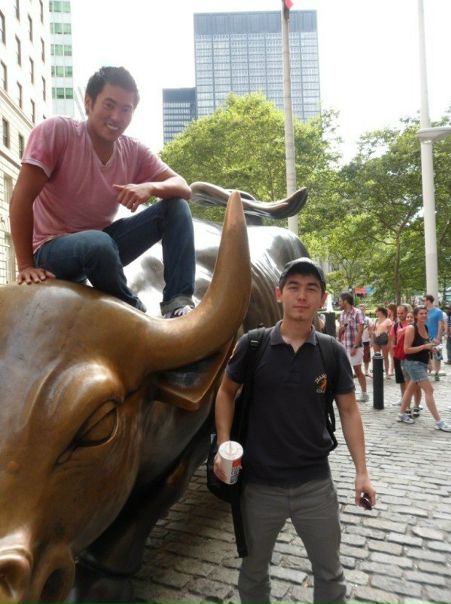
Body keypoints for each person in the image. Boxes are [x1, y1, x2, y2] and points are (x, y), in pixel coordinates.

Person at [214, 258, 376, 604]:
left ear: (322, 298)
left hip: (315, 486)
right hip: (259, 487)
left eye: (311, 289)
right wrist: (223, 443)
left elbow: (349, 410)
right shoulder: (253, 345)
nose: (302, 296)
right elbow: (225, 392)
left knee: (330, 575)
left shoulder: (331, 352)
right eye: (294, 287)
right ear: (279, 294)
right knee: (253, 573)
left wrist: (362, 472)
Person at [9, 66, 195, 318]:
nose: (116, 117)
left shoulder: (133, 151)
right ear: (88, 103)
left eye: (126, 109)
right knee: (98, 243)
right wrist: (25, 266)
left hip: (102, 246)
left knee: (176, 207)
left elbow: (183, 187)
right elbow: (21, 198)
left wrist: (150, 187)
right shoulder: (56, 131)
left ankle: (177, 303)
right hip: (51, 250)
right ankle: (135, 311)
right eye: (109, 105)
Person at [397, 306, 451, 431]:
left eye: (425, 313)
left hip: (421, 363)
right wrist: (424, 347)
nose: (424, 315)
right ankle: (439, 422)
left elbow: (426, 346)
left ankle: (401, 414)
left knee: (410, 389)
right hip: (413, 364)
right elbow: (406, 350)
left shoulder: (425, 327)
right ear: (416, 316)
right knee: (429, 390)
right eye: (421, 313)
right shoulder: (411, 328)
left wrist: (429, 357)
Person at [338, 293, 369, 402]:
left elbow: (360, 331)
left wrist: (355, 346)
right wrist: (341, 329)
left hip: (355, 346)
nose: (339, 303)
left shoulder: (357, 312)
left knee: (357, 369)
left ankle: (364, 394)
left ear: (345, 301)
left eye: (340, 301)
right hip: (344, 346)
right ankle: (349, 392)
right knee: (345, 370)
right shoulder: (342, 314)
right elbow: (340, 332)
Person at [424, 295, 445, 380]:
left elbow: (440, 325)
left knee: (437, 355)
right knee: (426, 355)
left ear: (428, 301)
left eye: (424, 300)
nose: (423, 302)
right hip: (425, 336)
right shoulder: (423, 311)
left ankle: (436, 372)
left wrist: (438, 337)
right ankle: (426, 372)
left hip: (435, 336)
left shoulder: (438, 311)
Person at [372, 306, 393, 377]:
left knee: (385, 357)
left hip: (384, 339)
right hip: (376, 339)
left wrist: (389, 343)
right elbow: (373, 330)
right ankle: (377, 372)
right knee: (376, 356)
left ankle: (387, 373)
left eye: (377, 311)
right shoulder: (376, 320)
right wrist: (373, 334)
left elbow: (390, 332)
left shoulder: (388, 320)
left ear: (381, 312)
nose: (376, 312)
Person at [359, 304, 371, 376]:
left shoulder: (368, 319)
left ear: (365, 310)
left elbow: (370, 330)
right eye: (360, 310)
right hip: (358, 341)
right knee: (358, 357)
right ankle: (359, 371)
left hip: (366, 340)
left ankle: (366, 371)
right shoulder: (356, 318)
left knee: (367, 356)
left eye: (363, 310)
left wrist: (371, 339)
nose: (361, 311)